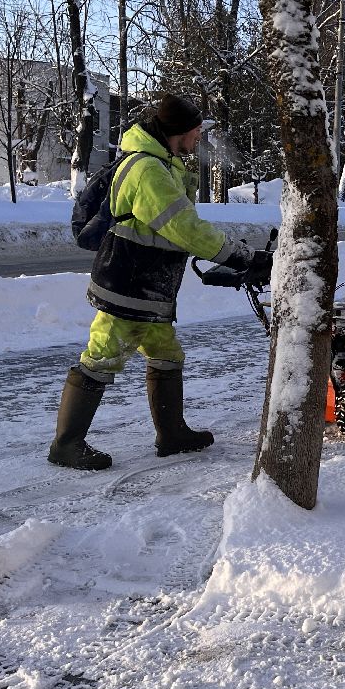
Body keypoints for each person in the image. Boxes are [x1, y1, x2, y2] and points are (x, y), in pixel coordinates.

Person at [48, 94, 273, 471]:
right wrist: (242, 257)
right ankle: (66, 444)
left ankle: (172, 434)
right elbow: (185, 228)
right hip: (129, 284)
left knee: (166, 354)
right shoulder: (148, 171)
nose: (199, 137)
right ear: (180, 132)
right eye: (196, 131)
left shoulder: (164, 164)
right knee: (102, 356)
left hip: (149, 286)